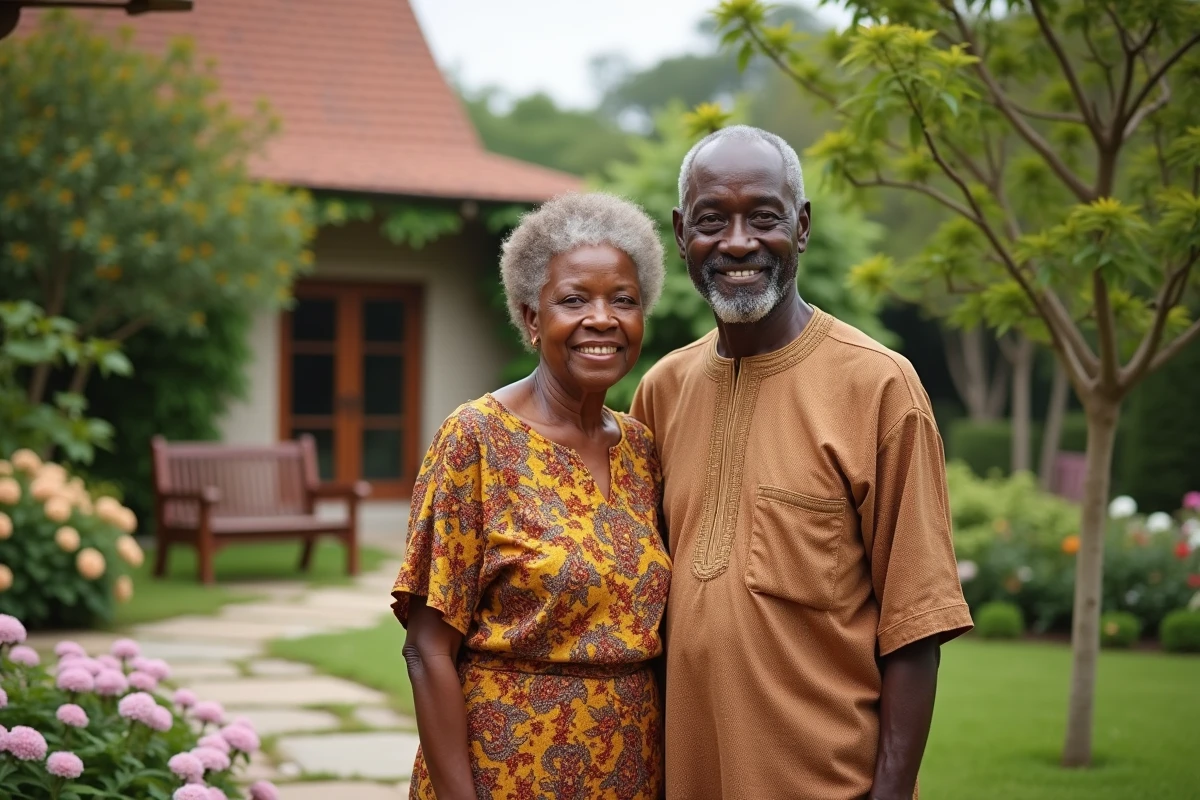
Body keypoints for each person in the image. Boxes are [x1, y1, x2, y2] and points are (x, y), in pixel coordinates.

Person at [630, 125, 973, 800]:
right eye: (710, 221)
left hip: (824, 784)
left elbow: (915, 626)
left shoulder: (878, 387)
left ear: (803, 226)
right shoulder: (661, 392)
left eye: (764, 217)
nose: (736, 243)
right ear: (679, 234)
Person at [392, 192, 671, 800]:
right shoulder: (478, 439)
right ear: (530, 317)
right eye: (574, 300)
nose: (602, 319)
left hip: (631, 772)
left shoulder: (643, 452)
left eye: (623, 300)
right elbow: (427, 651)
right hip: (506, 771)